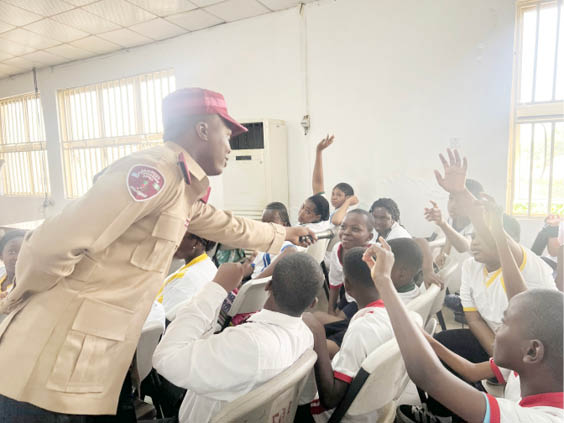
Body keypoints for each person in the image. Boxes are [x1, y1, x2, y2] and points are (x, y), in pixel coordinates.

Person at [0, 87, 315, 422]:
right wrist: (23, 299)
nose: (229, 146)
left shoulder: (181, 189)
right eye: (227, 134)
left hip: (89, 368)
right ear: (202, 129)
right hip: (50, 364)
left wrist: (284, 233)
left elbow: (230, 226)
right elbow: (48, 245)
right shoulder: (152, 173)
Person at [363, 239, 563, 423]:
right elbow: (471, 371)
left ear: (532, 351)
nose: (497, 329)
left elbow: (429, 376)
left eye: (504, 324)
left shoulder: (537, 418)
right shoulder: (528, 368)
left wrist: (383, 281)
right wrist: (426, 338)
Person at [152, 253, 323, 423]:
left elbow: (166, 358)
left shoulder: (249, 343)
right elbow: (304, 397)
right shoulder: (305, 337)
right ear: (313, 303)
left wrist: (216, 287)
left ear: (268, 286)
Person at [305, 247, 420, 422]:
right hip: (376, 408)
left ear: (347, 286)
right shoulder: (406, 316)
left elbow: (330, 399)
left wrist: (317, 335)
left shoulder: (362, 329)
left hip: (337, 417)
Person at [156, 232, 217, 316]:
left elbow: (158, 318)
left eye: (180, 236)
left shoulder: (188, 278)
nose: (174, 241)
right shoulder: (208, 266)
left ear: (196, 243)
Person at [311, 135, 359, 226]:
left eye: (339, 195)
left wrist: (348, 202)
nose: (334, 197)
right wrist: (318, 151)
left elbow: (336, 221)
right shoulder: (332, 211)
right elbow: (317, 184)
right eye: (333, 194)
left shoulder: (350, 213)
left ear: (348, 197)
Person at [251, 202, 297, 279]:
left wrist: (254, 281)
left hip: (259, 285)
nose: (266, 227)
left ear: (284, 225)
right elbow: (251, 266)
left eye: (271, 223)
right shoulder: (263, 243)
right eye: (263, 223)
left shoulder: (286, 244)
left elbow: (291, 251)